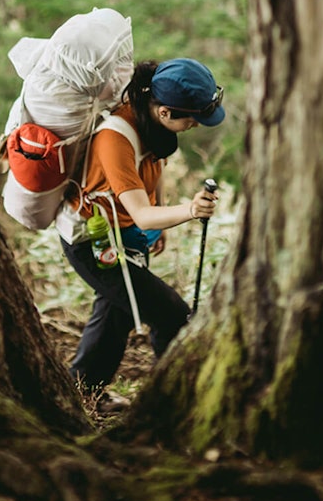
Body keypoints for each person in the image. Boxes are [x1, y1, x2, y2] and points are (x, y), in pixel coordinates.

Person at [60, 58, 224, 410]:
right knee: (173, 315)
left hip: (125, 235)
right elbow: (143, 215)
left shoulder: (150, 120)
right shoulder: (114, 139)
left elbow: (155, 165)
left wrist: (162, 211)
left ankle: (82, 391)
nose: (195, 124)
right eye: (192, 118)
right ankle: (170, 405)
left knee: (116, 314)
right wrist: (189, 211)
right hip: (93, 242)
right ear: (164, 111)